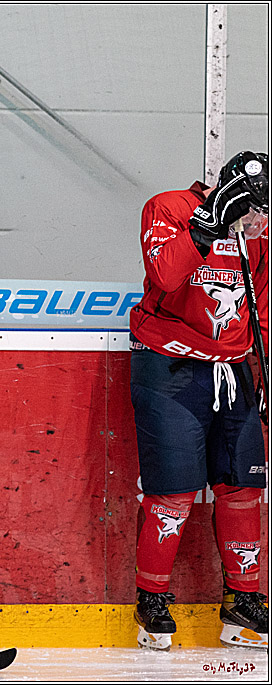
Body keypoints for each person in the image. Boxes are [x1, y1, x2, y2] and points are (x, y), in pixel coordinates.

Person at [129, 150, 269, 651]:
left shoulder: (261, 238)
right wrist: (207, 225)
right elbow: (164, 275)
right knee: (173, 492)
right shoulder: (168, 208)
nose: (261, 221)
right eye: (254, 209)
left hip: (232, 370)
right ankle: (152, 600)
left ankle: (242, 602)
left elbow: (263, 307)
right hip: (170, 368)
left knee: (243, 488)